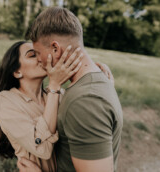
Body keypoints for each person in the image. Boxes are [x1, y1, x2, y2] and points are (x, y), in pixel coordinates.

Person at [20, 7, 123, 172]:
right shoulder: (93, 83)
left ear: (55, 49)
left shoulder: (85, 102)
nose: (38, 60)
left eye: (38, 52)